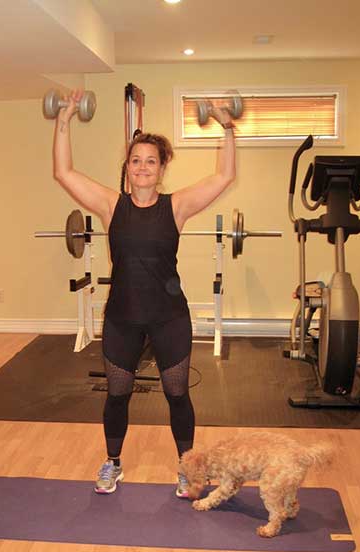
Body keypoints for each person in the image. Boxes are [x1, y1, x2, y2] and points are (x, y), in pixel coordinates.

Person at [53, 89, 236, 496]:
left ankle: (187, 468)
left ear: (162, 166)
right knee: (117, 395)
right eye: (136, 160)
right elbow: (64, 172)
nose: (142, 167)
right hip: (122, 317)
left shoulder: (177, 206)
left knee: (176, 394)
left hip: (169, 316)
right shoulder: (109, 205)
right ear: (128, 166)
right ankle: (113, 464)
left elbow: (224, 177)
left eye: (150, 161)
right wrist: (64, 120)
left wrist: (227, 127)